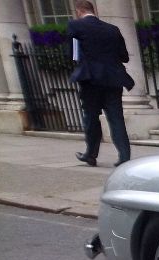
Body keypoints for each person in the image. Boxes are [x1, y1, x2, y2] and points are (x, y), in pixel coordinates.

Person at [67, 0, 134, 167]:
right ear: (93, 10)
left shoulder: (75, 26)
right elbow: (124, 56)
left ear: (79, 11)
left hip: (90, 79)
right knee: (116, 117)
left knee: (91, 116)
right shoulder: (112, 29)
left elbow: (73, 54)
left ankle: (91, 154)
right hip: (113, 78)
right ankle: (124, 156)